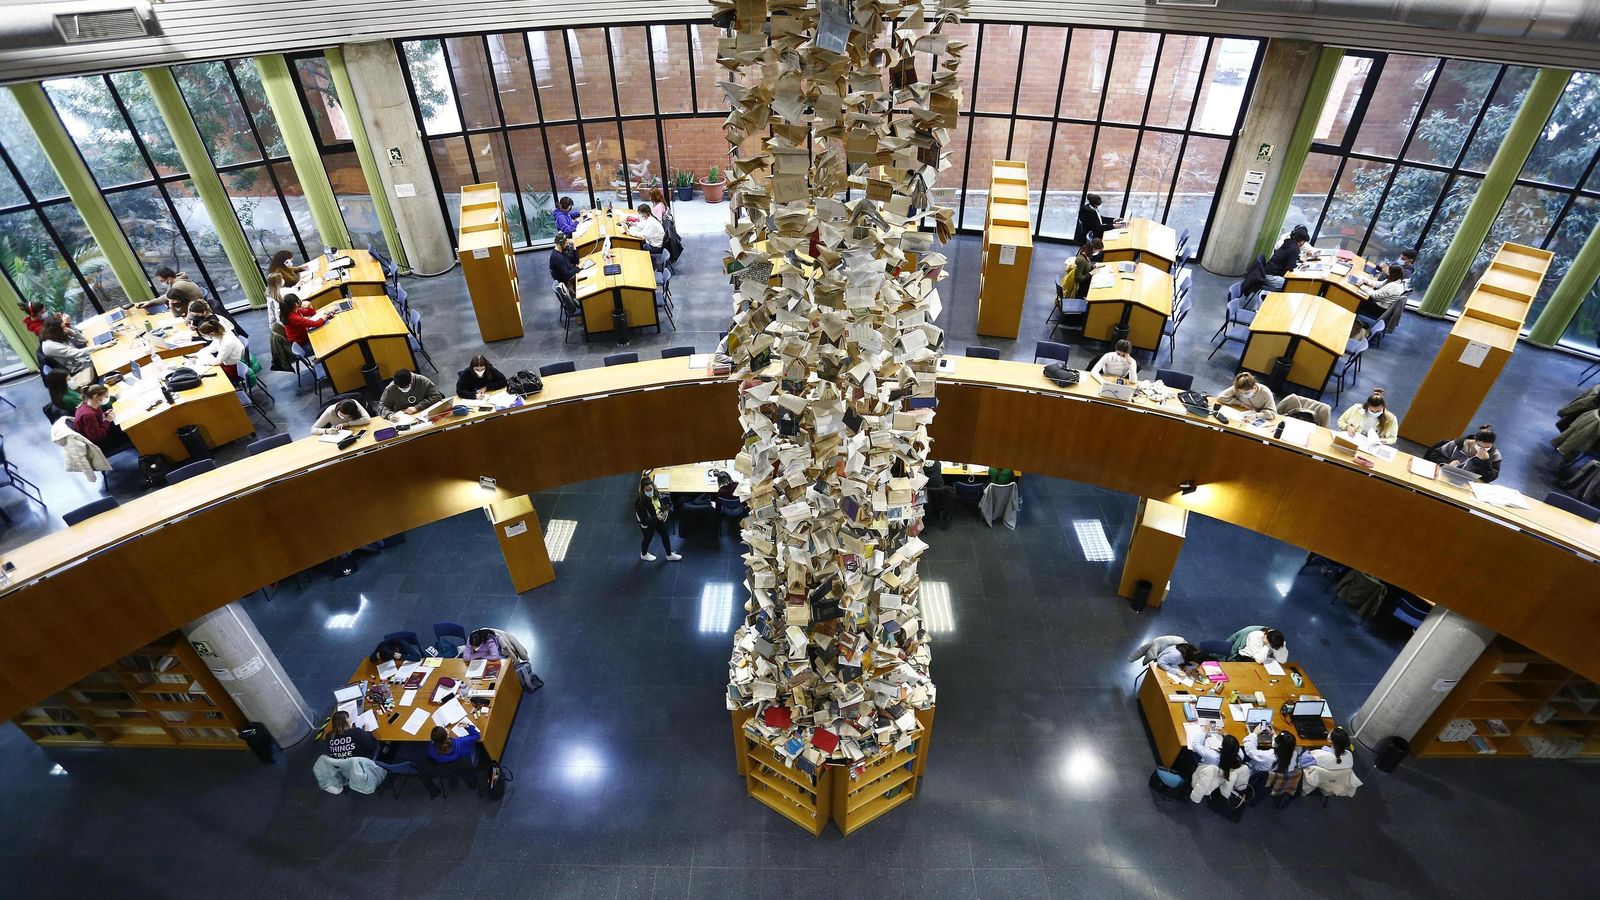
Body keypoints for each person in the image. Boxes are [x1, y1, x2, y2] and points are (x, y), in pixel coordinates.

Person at [1186, 731, 1251, 804]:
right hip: (1222, 776)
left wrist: (1204, 732)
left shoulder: (1213, 755)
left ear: (1222, 746)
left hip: (1210, 772)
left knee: (1191, 752)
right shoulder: (1240, 756)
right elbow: (1233, 746)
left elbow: (1195, 745)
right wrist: (1226, 735)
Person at [1430, 425, 1502, 483]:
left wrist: (1486, 461)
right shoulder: (1459, 444)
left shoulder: (1495, 455)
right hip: (1445, 476)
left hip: (1469, 483)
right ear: (1474, 441)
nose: (1482, 450)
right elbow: (1434, 455)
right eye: (1479, 446)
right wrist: (1447, 464)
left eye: (1487, 448)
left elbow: (1490, 478)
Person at [72, 385, 130, 453]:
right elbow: (97, 437)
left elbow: (97, 419)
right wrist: (107, 421)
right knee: (128, 432)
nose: (107, 398)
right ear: (96, 397)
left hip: (100, 431)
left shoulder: (89, 404)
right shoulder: (89, 415)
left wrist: (105, 414)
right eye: (106, 396)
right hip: (101, 444)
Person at [635, 478, 680, 561]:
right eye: (647, 490)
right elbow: (644, 521)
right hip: (649, 523)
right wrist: (657, 517)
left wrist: (663, 510)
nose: (649, 491)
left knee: (665, 536)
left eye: (650, 489)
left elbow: (659, 503)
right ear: (643, 490)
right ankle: (643, 554)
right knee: (647, 539)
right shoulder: (640, 503)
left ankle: (669, 555)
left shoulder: (655, 493)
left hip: (657, 518)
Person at [193, 320, 246, 385]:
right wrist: (198, 354)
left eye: (204, 335)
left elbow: (218, 361)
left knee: (211, 378)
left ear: (211, 334)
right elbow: (211, 348)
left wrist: (202, 362)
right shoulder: (218, 335)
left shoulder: (227, 342)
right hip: (228, 363)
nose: (204, 337)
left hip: (234, 367)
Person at [378, 368, 445, 418]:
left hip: (425, 413)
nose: (403, 389)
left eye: (406, 387)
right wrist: (389, 416)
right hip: (405, 417)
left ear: (412, 380)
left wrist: (417, 407)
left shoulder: (423, 381)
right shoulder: (391, 388)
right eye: (401, 388)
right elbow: (382, 406)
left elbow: (436, 396)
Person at [1262, 225, 1311, 291]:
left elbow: (1287, 257)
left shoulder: (1288, 242)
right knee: (1291, 286)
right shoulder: (1295, 249)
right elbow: (1290, 268)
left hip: (1265, 272)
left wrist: (1298, 260)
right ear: (1302, 241)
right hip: (1271, 277)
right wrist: (1299, 267)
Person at [1263, 731, 1303, 802]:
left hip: (1271, 777)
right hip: (1285, 776)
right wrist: (1273, 735)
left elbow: (1251, 751)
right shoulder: (1294, 753)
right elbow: (1281, 746)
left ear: (1277, 745)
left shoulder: (1271, 756)